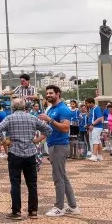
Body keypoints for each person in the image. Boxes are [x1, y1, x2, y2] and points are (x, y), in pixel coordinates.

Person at [0, 98, 52, 220]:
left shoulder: (9, 118)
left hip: (15, 152)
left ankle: (16, 211)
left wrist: (5, 141)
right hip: (30, 153)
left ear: (13, 107)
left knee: (15, 183)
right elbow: (48, 129)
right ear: (25, 107)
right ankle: (33, 211)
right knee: (32, 183)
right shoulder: (32, 117)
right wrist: (37, 140)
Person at [39, 85, 79, 217]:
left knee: (58, 177)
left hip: (59, 146)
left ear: (58, 94)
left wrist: (49, 119)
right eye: (47, 93)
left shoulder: (63, 109)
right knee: (62, 176)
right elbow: (49, 130)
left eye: (51, 93)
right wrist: (36, 140)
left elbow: (65, 128)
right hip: (53, 145)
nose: (48, 95)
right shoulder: (51, 109)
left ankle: (59, 207)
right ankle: (73, 206)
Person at [85, 98, 104, 162]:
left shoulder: (96, 108)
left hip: (96, 127)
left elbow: (100, 118)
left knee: (95, 141)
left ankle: (94, 155)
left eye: (87, 103)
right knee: (98, 141)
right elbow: (91, 117)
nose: (86, 105)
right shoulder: (91, 109)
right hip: (93, 127)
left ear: (91, 103)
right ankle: (100, 155)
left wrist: (92, 124)